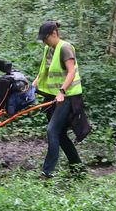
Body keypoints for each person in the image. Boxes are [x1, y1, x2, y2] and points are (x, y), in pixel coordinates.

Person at [33, 20, 88, 178]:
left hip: (68, 96)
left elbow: (71, 72)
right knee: (60, 134)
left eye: (45, 37)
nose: (43, 41)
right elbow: (43, 71)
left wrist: (62, 91)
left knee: (52, 130)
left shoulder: (65, 48)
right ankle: (78, 169)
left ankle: (47, 172)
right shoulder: (48, 49)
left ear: (54, 34)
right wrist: (32, 86)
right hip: (54, 97)